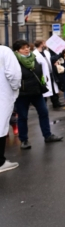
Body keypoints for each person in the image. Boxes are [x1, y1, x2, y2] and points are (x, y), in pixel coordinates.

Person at [12, 40, 63, 149]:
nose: (26, 49)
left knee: (44, 112)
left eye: (27, 47)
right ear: (17, 51)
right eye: (23, 48)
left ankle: (47, 135)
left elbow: (40, 72)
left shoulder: (34, 58)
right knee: (23, 117)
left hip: (36, 91)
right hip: (22, 94)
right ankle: (24, 140)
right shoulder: (14, 61)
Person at [0, 45, 21, 174]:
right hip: (2, 93)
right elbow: (14, 74)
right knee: (1, 125)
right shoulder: (4, 51)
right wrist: (15, 88)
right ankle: (0, 162)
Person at [32, 40, 59, 104]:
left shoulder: (46, 52)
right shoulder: (34, 53)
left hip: (50, 73)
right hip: (43, 75)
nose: (46, 44)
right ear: (41, 44)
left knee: (53, 88)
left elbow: (50, 60)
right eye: (44, 43)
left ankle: (55, 102)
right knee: (44, 89)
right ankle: (44, 103)